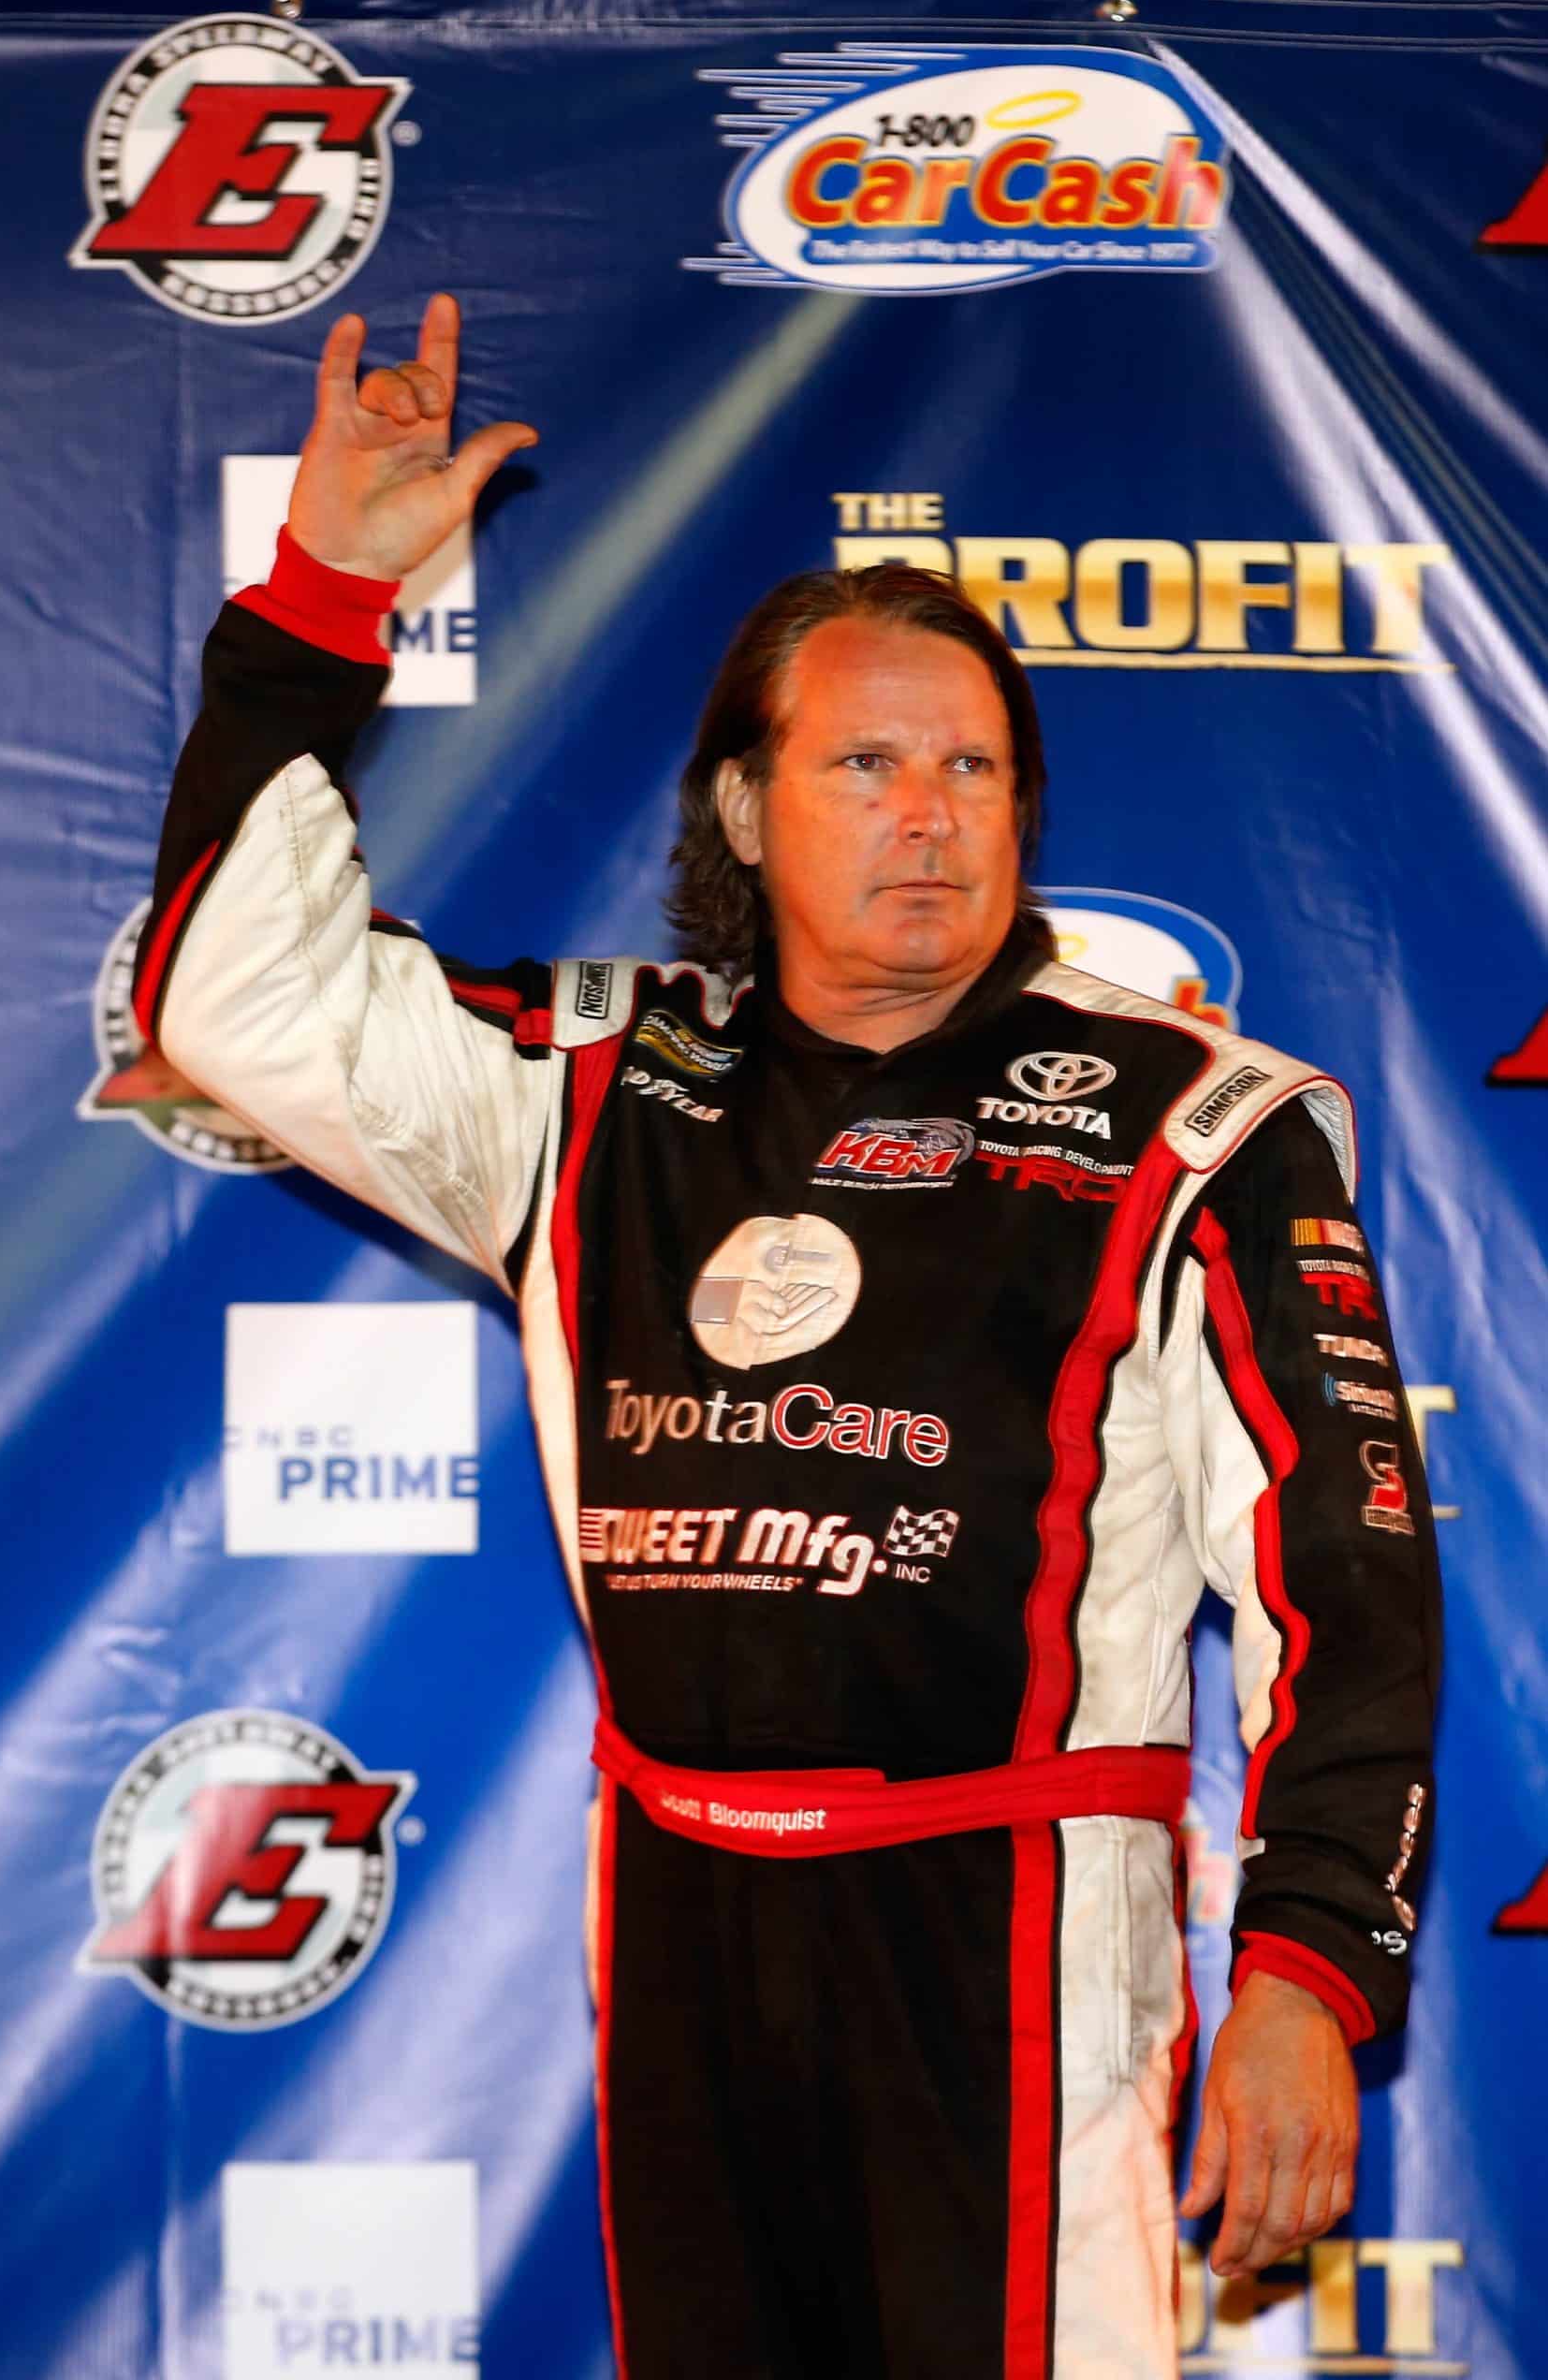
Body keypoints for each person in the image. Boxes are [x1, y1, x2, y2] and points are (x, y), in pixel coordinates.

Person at [136, 295, 1440, 2378]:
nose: (925, 811)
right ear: (744, 810)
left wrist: (1302, 1960)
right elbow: (229, 1002)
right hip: (680, 1922)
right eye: (862, 760)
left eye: (970, 767)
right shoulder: (583, 1081)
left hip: (1018, 1931)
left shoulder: (1195, 1123)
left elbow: (1349, 1591)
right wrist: (322, 602)